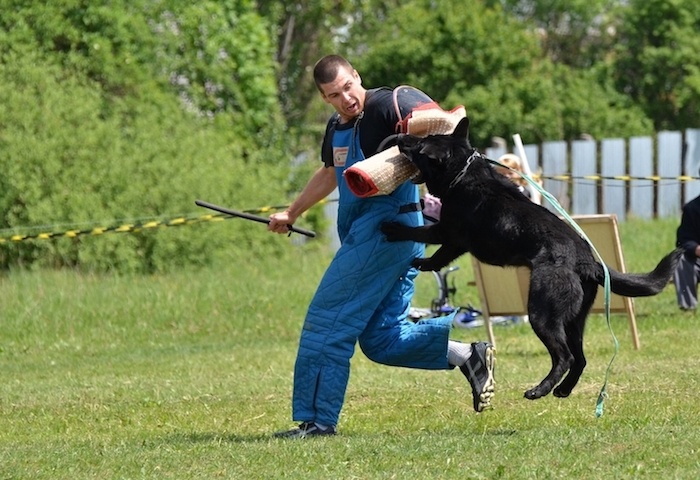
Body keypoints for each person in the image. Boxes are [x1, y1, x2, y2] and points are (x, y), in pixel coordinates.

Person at [268, 54, 495, 438]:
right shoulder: (336, 128)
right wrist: (291, 212)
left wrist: (427, 123)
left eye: (348, 87)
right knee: (381, 338)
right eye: (334, 95)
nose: (346, 99)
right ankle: (468, 355)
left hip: (384, 231)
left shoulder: (384, 104)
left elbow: (432, 116)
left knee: (327, 321)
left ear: (357, 76)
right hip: (384, 236)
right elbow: (329, 174)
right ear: (325, 99)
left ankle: (318, 422)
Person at [673, 193, 700, 311]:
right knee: (680, 260)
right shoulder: (692, 208)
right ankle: (688, 308)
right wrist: (696, 249)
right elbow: (683, 241)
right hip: (698, 260)